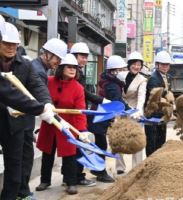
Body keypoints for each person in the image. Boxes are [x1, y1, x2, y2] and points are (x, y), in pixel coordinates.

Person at [0, 22, 52, 200]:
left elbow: (36, 85)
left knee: (15, 169)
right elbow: (9, 94)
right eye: (6, 43)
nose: (11, 48)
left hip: (15, 124)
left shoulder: (24, 65)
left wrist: (47, 103)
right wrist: (39, 109)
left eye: (14, 44)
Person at [35, 54, 88, 195]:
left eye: (75, 68)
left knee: (70, 154)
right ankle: (45, 180)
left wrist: (81, 130)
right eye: (69, 67)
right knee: (47, 153)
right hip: (49, 123)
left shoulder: (78, 88)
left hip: (67, 125)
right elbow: (40, 97)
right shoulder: (49, 81)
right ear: (61, 68)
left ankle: (71, 182)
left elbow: (80, 111)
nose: (72, 70)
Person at [70, 42, 109, 185]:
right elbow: (83, 93)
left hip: (82, 111)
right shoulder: (73, 72)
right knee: (80, 145)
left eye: (86, 57)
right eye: (82, 56)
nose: (85, 60)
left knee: (81, 144)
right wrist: (102, 100)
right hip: (75, 113)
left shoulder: (79, 71)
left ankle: (72, 176)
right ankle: (76, 177)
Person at [90, 55, 130, 176]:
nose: (124, 72)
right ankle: (100, 172)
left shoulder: (110, 81)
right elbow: (117, 101)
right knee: (101, 145)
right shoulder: (112, 85)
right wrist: (131, 109)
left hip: (100, 116)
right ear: (114, 71)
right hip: (100, 117)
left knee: (100, 144)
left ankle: (97, 169)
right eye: (122, 69)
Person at [144, 51, 172, 157]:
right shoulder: (153, 78)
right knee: (152, 143)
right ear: (157, 65)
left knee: (161, 142)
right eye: (163, 64)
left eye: (167, 64)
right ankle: (150, 165)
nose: (165, 67)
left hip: (162, 114)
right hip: (152, 114)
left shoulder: (167, 77)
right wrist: (166, 94)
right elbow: (156, 93)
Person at [122, 51, 147, 167]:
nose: (137, 67)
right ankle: (119, 167)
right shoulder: (121, 75)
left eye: (139, 65)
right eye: (134, 64)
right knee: (118, 138)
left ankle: (136, 166)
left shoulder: (142, 79)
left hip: (135, 113)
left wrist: (138, 110)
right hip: (121, 112)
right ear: (129, 64)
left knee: (137, 140)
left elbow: (141, 96)